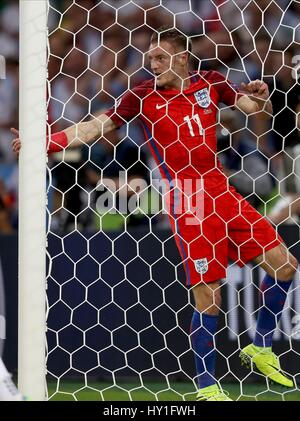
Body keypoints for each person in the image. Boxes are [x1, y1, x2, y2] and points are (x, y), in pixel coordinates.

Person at [12, 27, 298, 401]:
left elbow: (250, 108)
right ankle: (207, 386)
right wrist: (45, 143)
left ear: (182, 57)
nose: (153, 64)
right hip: (188, 197)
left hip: (221, 188)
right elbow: (96, 126)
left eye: (160, 58)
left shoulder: (211, 82)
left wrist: (261, 98)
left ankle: (260, 345)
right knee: (208, 292)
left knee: (285, 264)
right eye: (150, 59)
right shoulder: (142, 95)